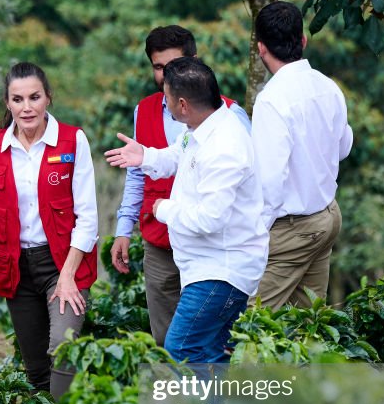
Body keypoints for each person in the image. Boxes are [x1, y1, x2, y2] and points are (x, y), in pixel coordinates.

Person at [0, 62, 98, 403]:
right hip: (16, 266)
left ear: (48, 98)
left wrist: (67, 275)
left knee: (63, 346)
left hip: (63, 262)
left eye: (34, 97)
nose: (26, 107)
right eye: (18, 99)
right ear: (7, 102)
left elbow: (87, 217)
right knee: (36, 367)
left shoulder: (72, 140)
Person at [105, 57, 268, 363]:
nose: (163, 104)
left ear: (181, 104)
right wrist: (144, 156)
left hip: (222, 270)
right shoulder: (202, 127)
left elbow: (210, 218)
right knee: (210, 351)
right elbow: (177, 156)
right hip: (207, 266)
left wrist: (164, 209)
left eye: (166, 98)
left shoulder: (225, 145)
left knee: (181, 348)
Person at [252, 1, 353, 309]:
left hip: (293, 228)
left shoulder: (271, 100)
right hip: (326, 216)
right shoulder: (327, 86)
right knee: (306, 325)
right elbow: (344, 146)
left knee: (249, 323)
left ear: (260, 48)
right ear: (304, 41)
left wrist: (254, 235)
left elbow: (270, 181)